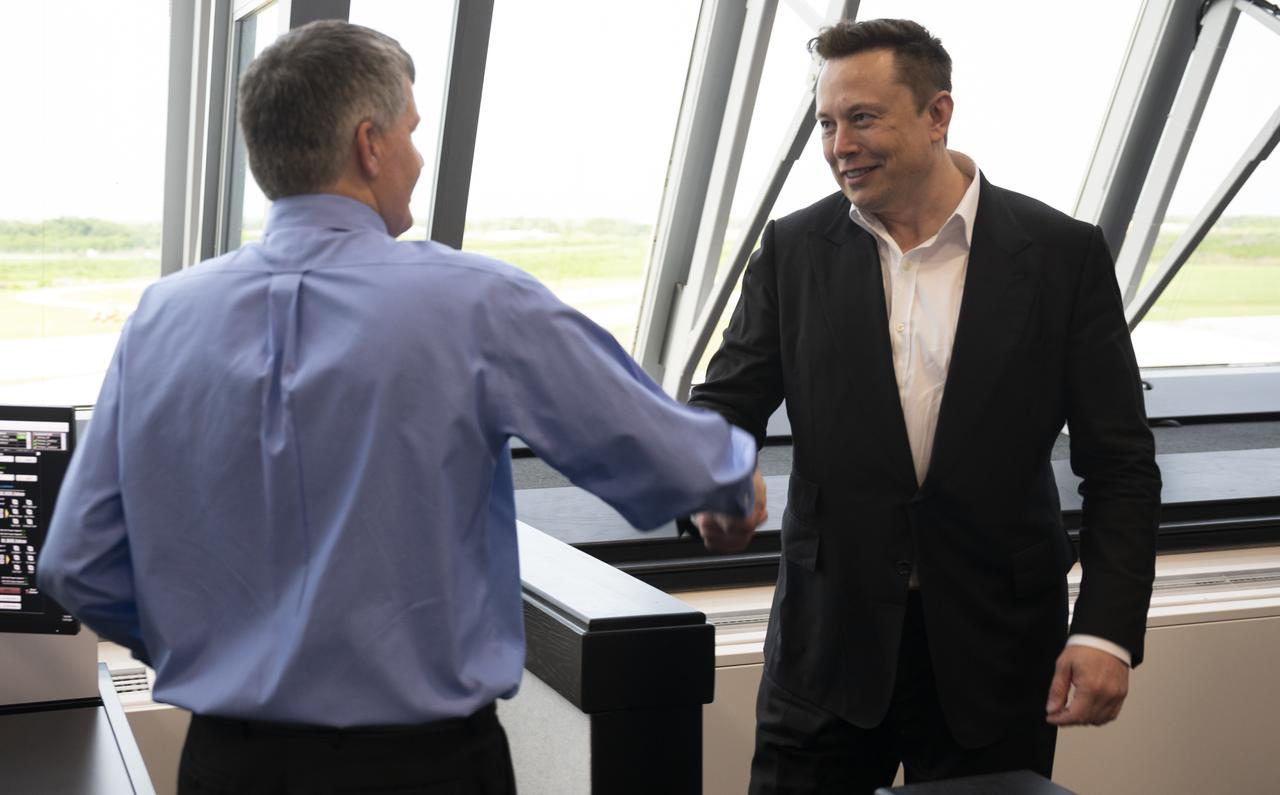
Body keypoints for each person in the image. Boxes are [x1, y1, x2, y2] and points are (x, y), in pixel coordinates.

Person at [38, 20, 766, 795]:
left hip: (228, 765)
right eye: (412, 133)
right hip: (422, 769)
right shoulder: (472, 302)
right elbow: (660, 445)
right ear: (370, 144)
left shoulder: (159, 316)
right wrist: (728, 484)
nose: (418, 159)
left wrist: (219, 650)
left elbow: (74, 562)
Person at [687, 18, 1161, 793]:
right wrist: (708, 483)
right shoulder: (793, 251)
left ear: (938, 114)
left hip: (996, 654)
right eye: (827, 124)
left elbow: (1121, 466)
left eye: (863, 118)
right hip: (827, 652)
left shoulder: (1063, 256)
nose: (841, 145)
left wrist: (1106, 629)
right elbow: (723, 406)